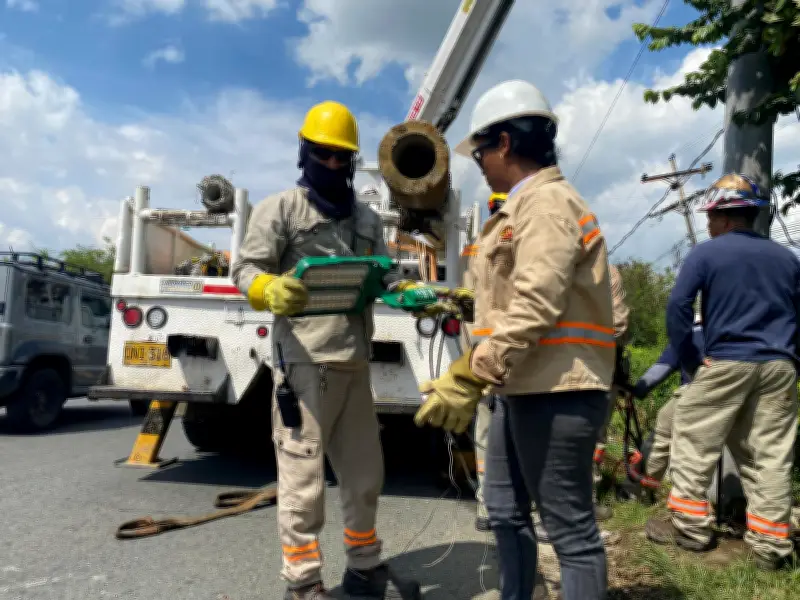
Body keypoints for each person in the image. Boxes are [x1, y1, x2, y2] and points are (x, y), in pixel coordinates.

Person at [414, 79, 615, 600]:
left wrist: (470, 372)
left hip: (558, 391)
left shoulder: (547, 204)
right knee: (503, 513)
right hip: (516, 388)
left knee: (570, 532)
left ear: (504, 143)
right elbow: (513, 295)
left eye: (480, 150)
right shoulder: (518, 209)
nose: (477, 162)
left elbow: (537, 303)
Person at [231, 100, 421, 600]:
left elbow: (381, 274)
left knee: (364, 476)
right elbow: (245, 270)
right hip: (304, 365)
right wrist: (267, 289)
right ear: (305, 153)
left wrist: (407, 293)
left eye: (343, 158)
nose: (334, 165)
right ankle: (304, 581)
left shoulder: (364, 217)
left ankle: (364, 566)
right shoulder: (281, 210)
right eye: (324, 155)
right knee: (303, 482)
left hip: (354, 363)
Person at [649, 173, 800, 571]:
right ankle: (771, 546)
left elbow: (678, 307)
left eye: (711, 216)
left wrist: (691, 362)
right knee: (770, 455)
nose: (707, 223)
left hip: (726, 361)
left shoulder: (707, 254)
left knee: (693, 439)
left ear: (726, 216)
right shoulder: (788, 259)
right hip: (780, 366)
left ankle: (692, 529)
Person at [626, 315, 704, 490]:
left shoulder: (690, 334)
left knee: (663, 426)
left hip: (694, 395)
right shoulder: (737, 334)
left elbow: (662, 368)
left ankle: (642, 485)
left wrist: (637, 390)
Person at [592, 264, 631, 521]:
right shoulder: (606, 271)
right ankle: (583, 502)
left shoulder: (539, 260)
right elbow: (619, 326)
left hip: (549, 368)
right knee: (592, 437)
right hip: (598, 367)